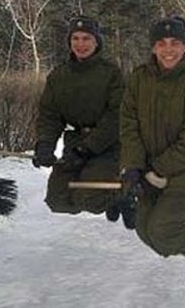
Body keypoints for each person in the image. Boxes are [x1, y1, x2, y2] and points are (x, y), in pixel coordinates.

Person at [119, 15, 185, 296]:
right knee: (146, 231)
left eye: (175, 43)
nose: (169, 49)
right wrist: (133, 166)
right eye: (162, 43)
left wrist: (159, 167)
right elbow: (129, 125)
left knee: (164, 228)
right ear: (153, 47)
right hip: (147, 170)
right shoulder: (138, 79)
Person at [32, 15, 133, 228]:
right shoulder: (58, 76)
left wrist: (86, 149)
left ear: (96, 42)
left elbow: (117, 115)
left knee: (90, 198)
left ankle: (124, 194)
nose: (81, 44)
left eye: (87, 38)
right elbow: (50, 116)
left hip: (108, 146)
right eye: (75, 38)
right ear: (69, 41)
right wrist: (44, 147)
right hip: (75, 145)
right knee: (58, 200)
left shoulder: (111, 73)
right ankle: (111, 194)